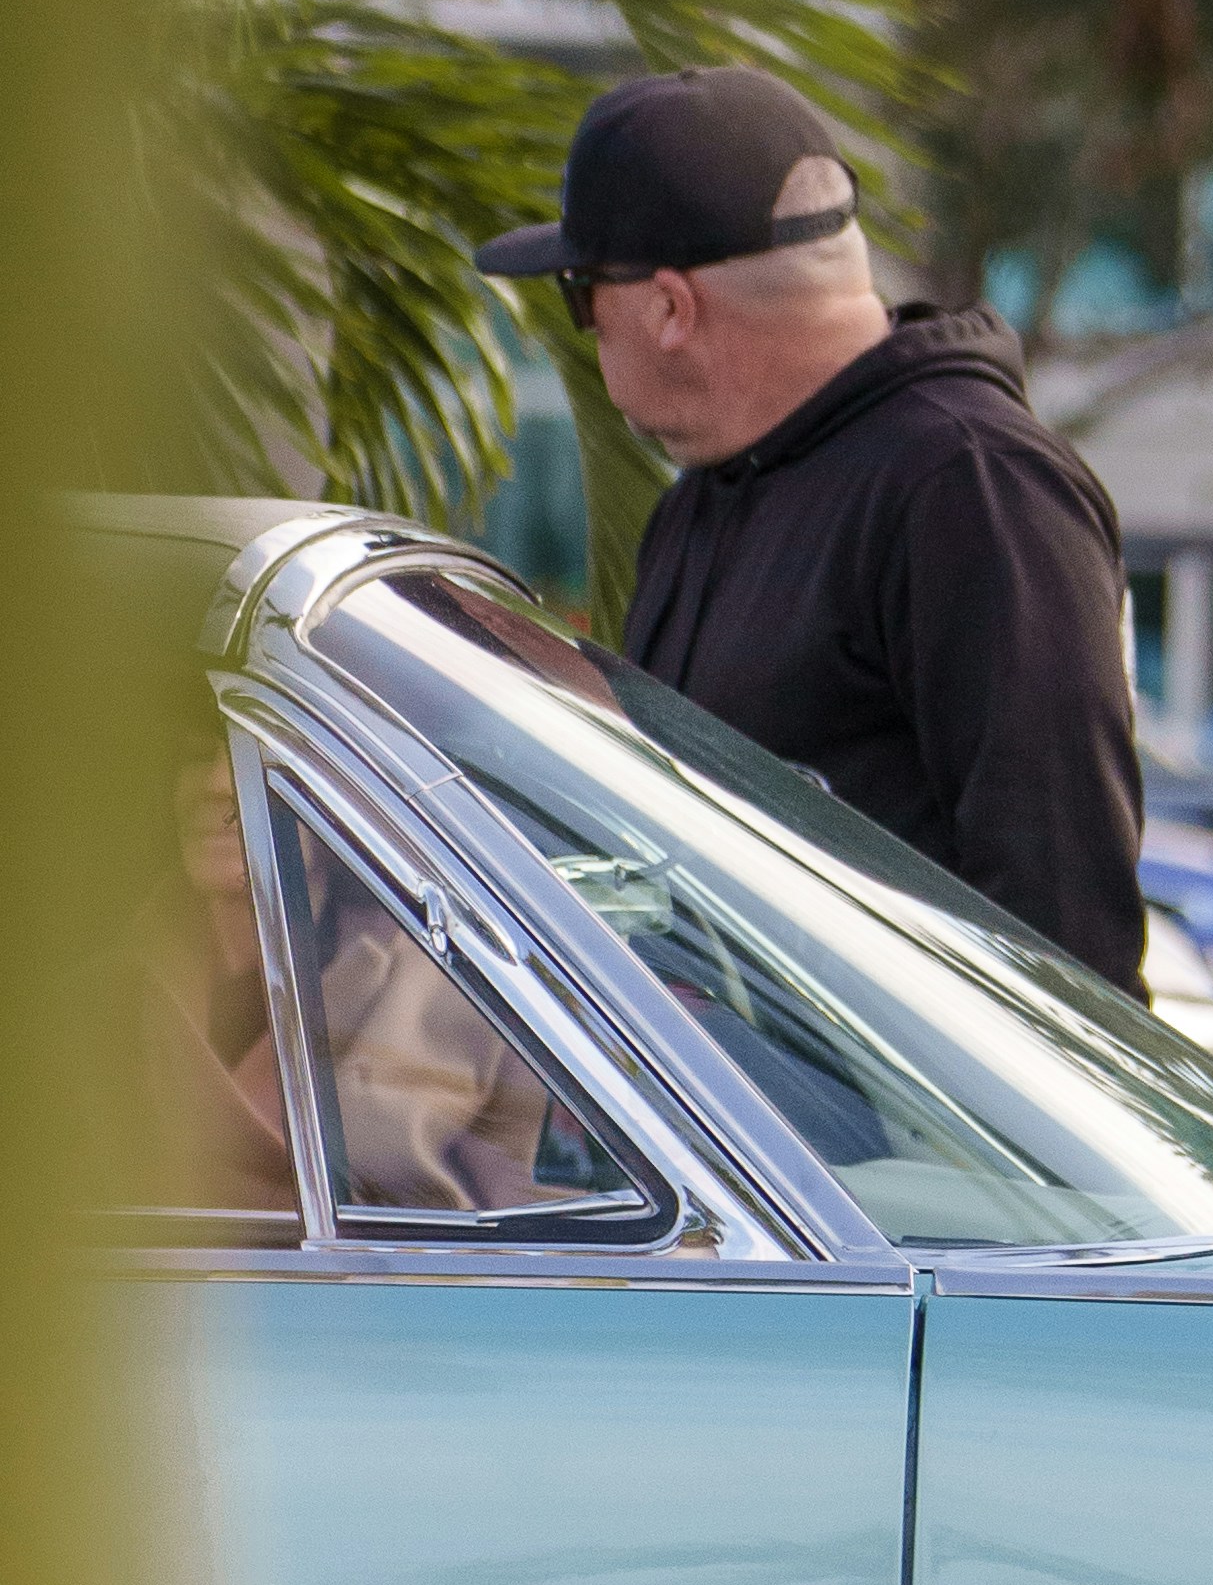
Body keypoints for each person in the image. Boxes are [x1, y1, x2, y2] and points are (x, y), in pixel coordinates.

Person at [480, 68, 1146, 986]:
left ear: (670, 308)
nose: (585, 333)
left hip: (909, 1134)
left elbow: (1068, 939)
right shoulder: (705, 500)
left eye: (579, 292)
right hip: (725, 1126)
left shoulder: (970, 487)